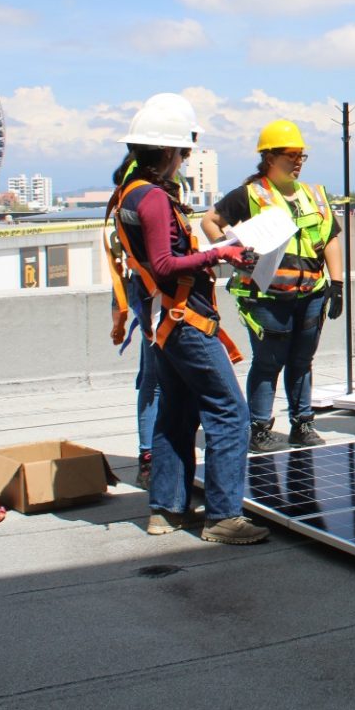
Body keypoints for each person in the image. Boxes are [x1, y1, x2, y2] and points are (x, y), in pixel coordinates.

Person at [104, 95, 268, 545]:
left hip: (163, 322)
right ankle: (223, 517)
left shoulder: (129, 193)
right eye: (184, 152)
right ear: (171, 153)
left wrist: (213, 256)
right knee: (230, 412)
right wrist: (220, 253)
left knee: (177, 411)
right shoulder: (153, 198)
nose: (185, 160)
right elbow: (162, 264)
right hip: (183, 320)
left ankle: (166, 510)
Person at [202, 119, 345, 453]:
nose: (297, 162)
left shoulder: (314, 196)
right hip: (266, 296)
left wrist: (336, 284)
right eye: (289, 155)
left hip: (310, 293)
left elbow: (331, 240)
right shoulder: (250, 195)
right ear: (269, 157)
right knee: (269, 361)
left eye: (301, 156)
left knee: (302, 360)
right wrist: (231, 250)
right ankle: (259, 427)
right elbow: (210, 222)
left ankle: (302, 422)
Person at [108, 92, 197, 491]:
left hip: (152, 289)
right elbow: (153, 257)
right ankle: (151, 455)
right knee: (156, 376)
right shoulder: (145, 188)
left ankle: (159, 455)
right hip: (152, 292)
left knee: (163, 376)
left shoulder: (147, 183)